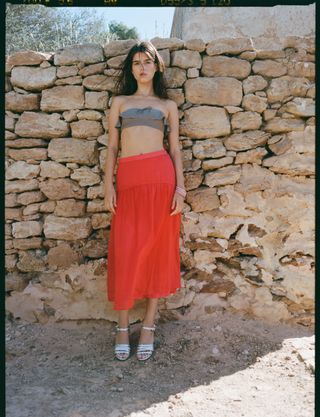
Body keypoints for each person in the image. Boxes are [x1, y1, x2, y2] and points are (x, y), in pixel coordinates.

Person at [104, 41, 185, 361]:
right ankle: (122, 327)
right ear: (131, 68)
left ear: (156, 66)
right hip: (128, 180)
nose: (142, 66)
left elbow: (175, 148)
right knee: (126, 251)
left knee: (157, 251)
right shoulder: (119, 103)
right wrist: (107, 184)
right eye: (136, 62)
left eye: (147, 61)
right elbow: (112, 147)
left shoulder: (168, 106)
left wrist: (181, 188)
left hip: (161, 178)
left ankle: (149, 326)